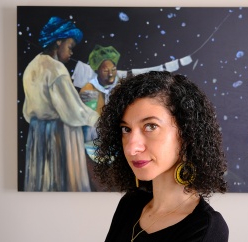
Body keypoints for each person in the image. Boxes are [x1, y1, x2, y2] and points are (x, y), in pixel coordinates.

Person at [94, 71, 229, 241]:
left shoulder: (204, 227)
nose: (131, 148)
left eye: (150, 126)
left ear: (186, 133)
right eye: (126, 129)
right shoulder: (130, 204)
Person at [22, 16, 99, 191]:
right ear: (58, 42)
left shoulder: (32, 66)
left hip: (37, 134)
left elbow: (31, 108)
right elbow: (73, 112)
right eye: (70, 47)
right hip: (60, 134)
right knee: (64, 183)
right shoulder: (56, 69)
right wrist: (97, 118)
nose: (72, 53)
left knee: (43, 183)